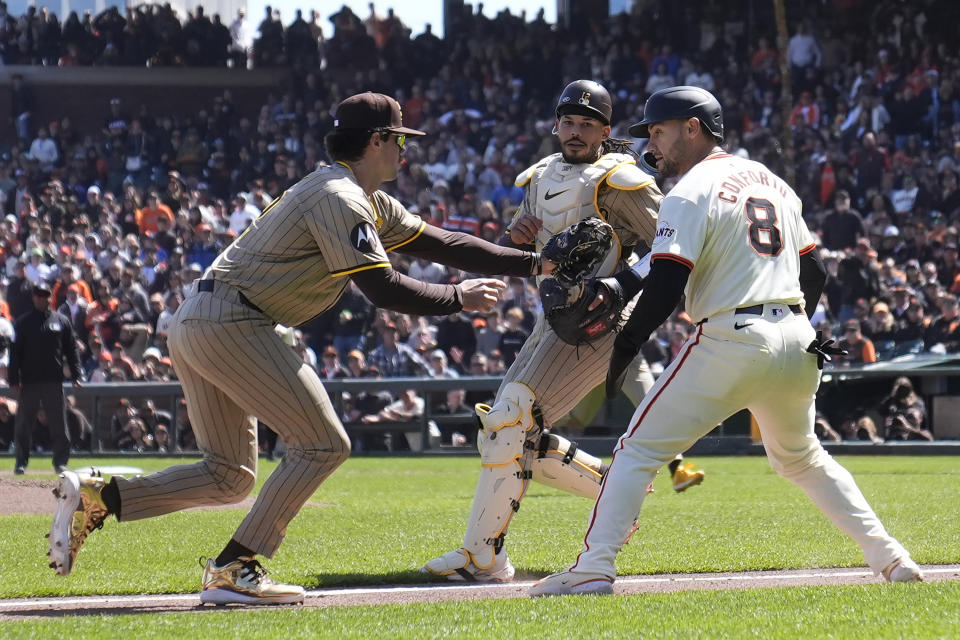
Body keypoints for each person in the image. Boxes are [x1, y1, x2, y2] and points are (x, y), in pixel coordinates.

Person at [48, 91, 556, 605]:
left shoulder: (362, 196)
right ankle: (233, 568)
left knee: (229, 476)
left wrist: (535, 263)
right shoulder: (340, 194)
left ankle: (103, 497)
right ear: (377, 139)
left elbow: (443, 244)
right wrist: (456, 298)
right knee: (323, 444)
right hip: (233, 320)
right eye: (399, 139)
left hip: (207, 317)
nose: (405, 150)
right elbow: (381, 289)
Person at [530, 86, 922, 597]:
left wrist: (625, 346)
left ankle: (594, 568)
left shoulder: (690, 189)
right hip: (798, 337)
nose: (652, 143)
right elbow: (817, 272)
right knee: (803, 458)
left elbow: (669, 281)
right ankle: (893, 559)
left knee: (634, 451)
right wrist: (794, 327)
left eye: (659, 130)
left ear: (692, 127)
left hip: (732, 338)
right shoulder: (773, 182)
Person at [424, 80, 700, 584]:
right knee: (510, 428)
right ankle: (616, 491)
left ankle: (481, 555)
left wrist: (619, 286)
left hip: (601, 321)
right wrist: (516, 237)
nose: (577, 132)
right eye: (569, 122)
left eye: (588, 124)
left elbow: (669, 245)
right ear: (556, 124)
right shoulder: (540, 175)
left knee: (509, 418)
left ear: (605, 131)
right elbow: (520, 246)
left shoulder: (620, 179)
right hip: (553, 316)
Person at [9, 282, 83, 474]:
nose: (42, 298)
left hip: (53, 380)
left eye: (46, 295)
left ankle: (60, 462)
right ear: (34, 297)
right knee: (24, 423)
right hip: (30, 381)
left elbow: (71, 350)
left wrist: (76, 374)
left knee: (59, 423)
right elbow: (15, 353)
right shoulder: (23, 323)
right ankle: (21, 463)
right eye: (39, 295)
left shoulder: (61, 321)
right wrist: (13, 380)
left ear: (51, 297)